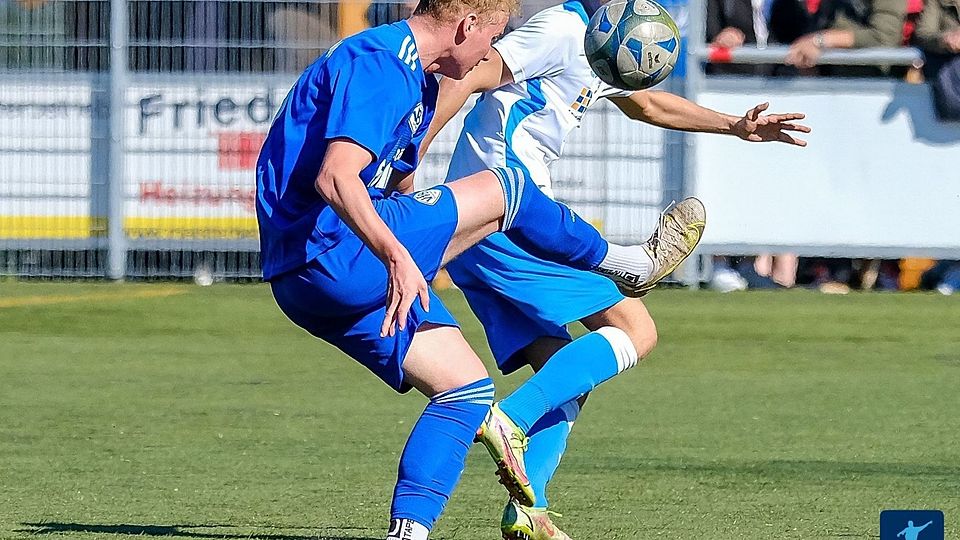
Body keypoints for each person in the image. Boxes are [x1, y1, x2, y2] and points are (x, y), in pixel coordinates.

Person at [254, 0, 703, 538]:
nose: (492, 52)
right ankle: (628, 263)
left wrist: (418, 217)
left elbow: (390, 174)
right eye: (491, 37)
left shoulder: (417, 79)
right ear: (467, 25)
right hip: (336, 250)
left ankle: (411, 533)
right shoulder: (379, 59)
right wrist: (399, 253)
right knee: (511, 186)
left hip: (310, 281)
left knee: (465, 391)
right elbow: (336, 179)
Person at [418, 0, 810, 537]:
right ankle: (509, 419)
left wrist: (735, 126)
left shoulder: (607, 39)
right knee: (636, 330)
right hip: (509, 211)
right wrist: (411, 156)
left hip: (494, 222)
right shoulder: (561, 26)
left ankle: (530, 511)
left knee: (564, 376)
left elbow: (646, 105)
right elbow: (474, 75)